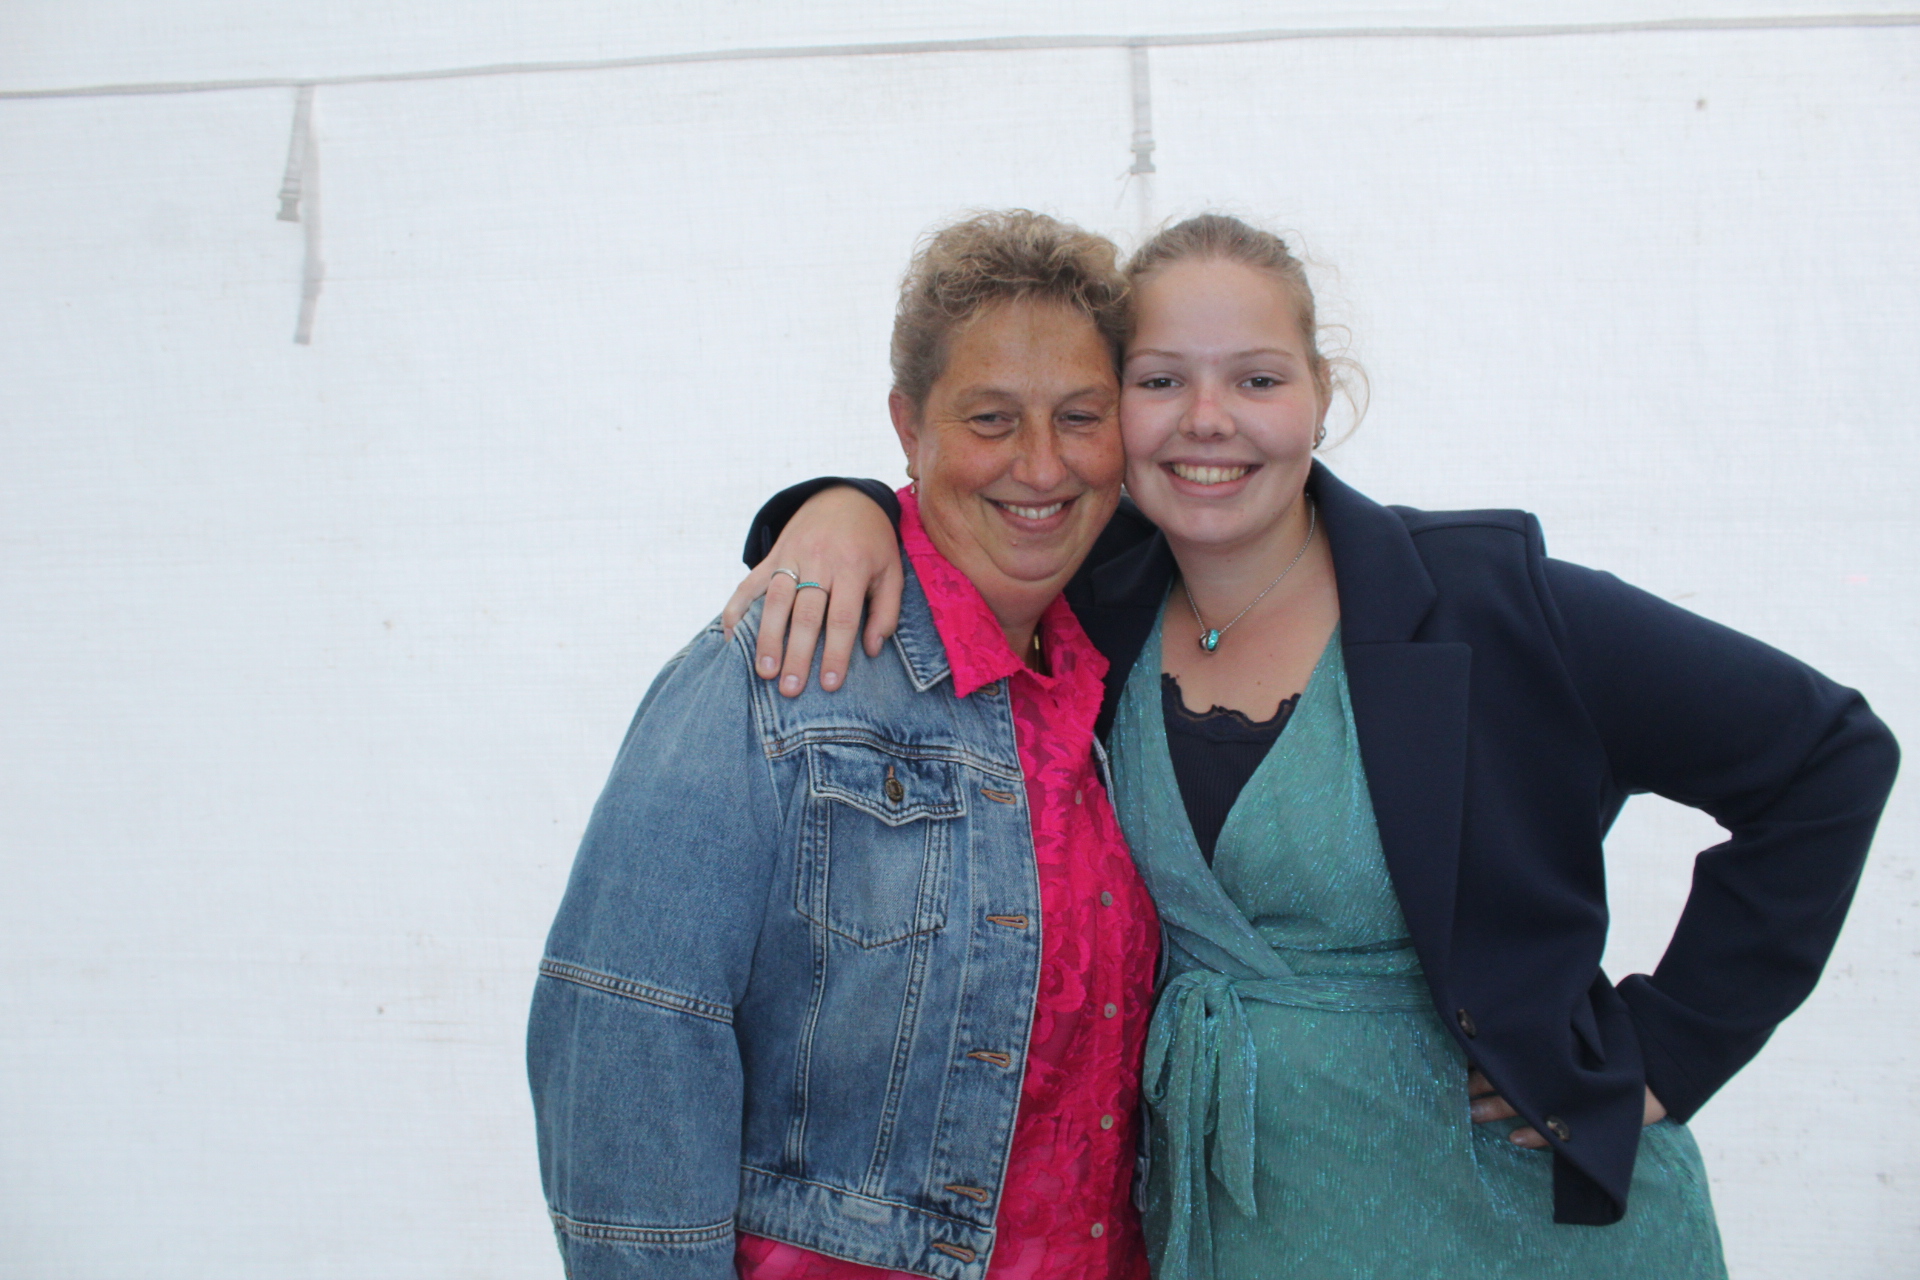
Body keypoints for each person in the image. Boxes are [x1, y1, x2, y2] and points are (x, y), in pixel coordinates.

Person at [724, 214, 1900, 1278]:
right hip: (1246, 1231)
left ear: (1322, 396)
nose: (1208, 418)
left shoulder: (1491, 603)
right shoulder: (1095, 602)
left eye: (1257, 377)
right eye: (1160, 379)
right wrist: (839, 505)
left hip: (1525, 1229)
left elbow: (1827, 755)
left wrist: (1675, 1043)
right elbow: (968, 502)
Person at [527, 211, 1163, 1280]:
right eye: (991, 417)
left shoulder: (1117, 675)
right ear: (908, 426)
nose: (1041, 462)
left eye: (1080, 416)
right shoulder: (774, 672)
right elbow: (626, 1031)